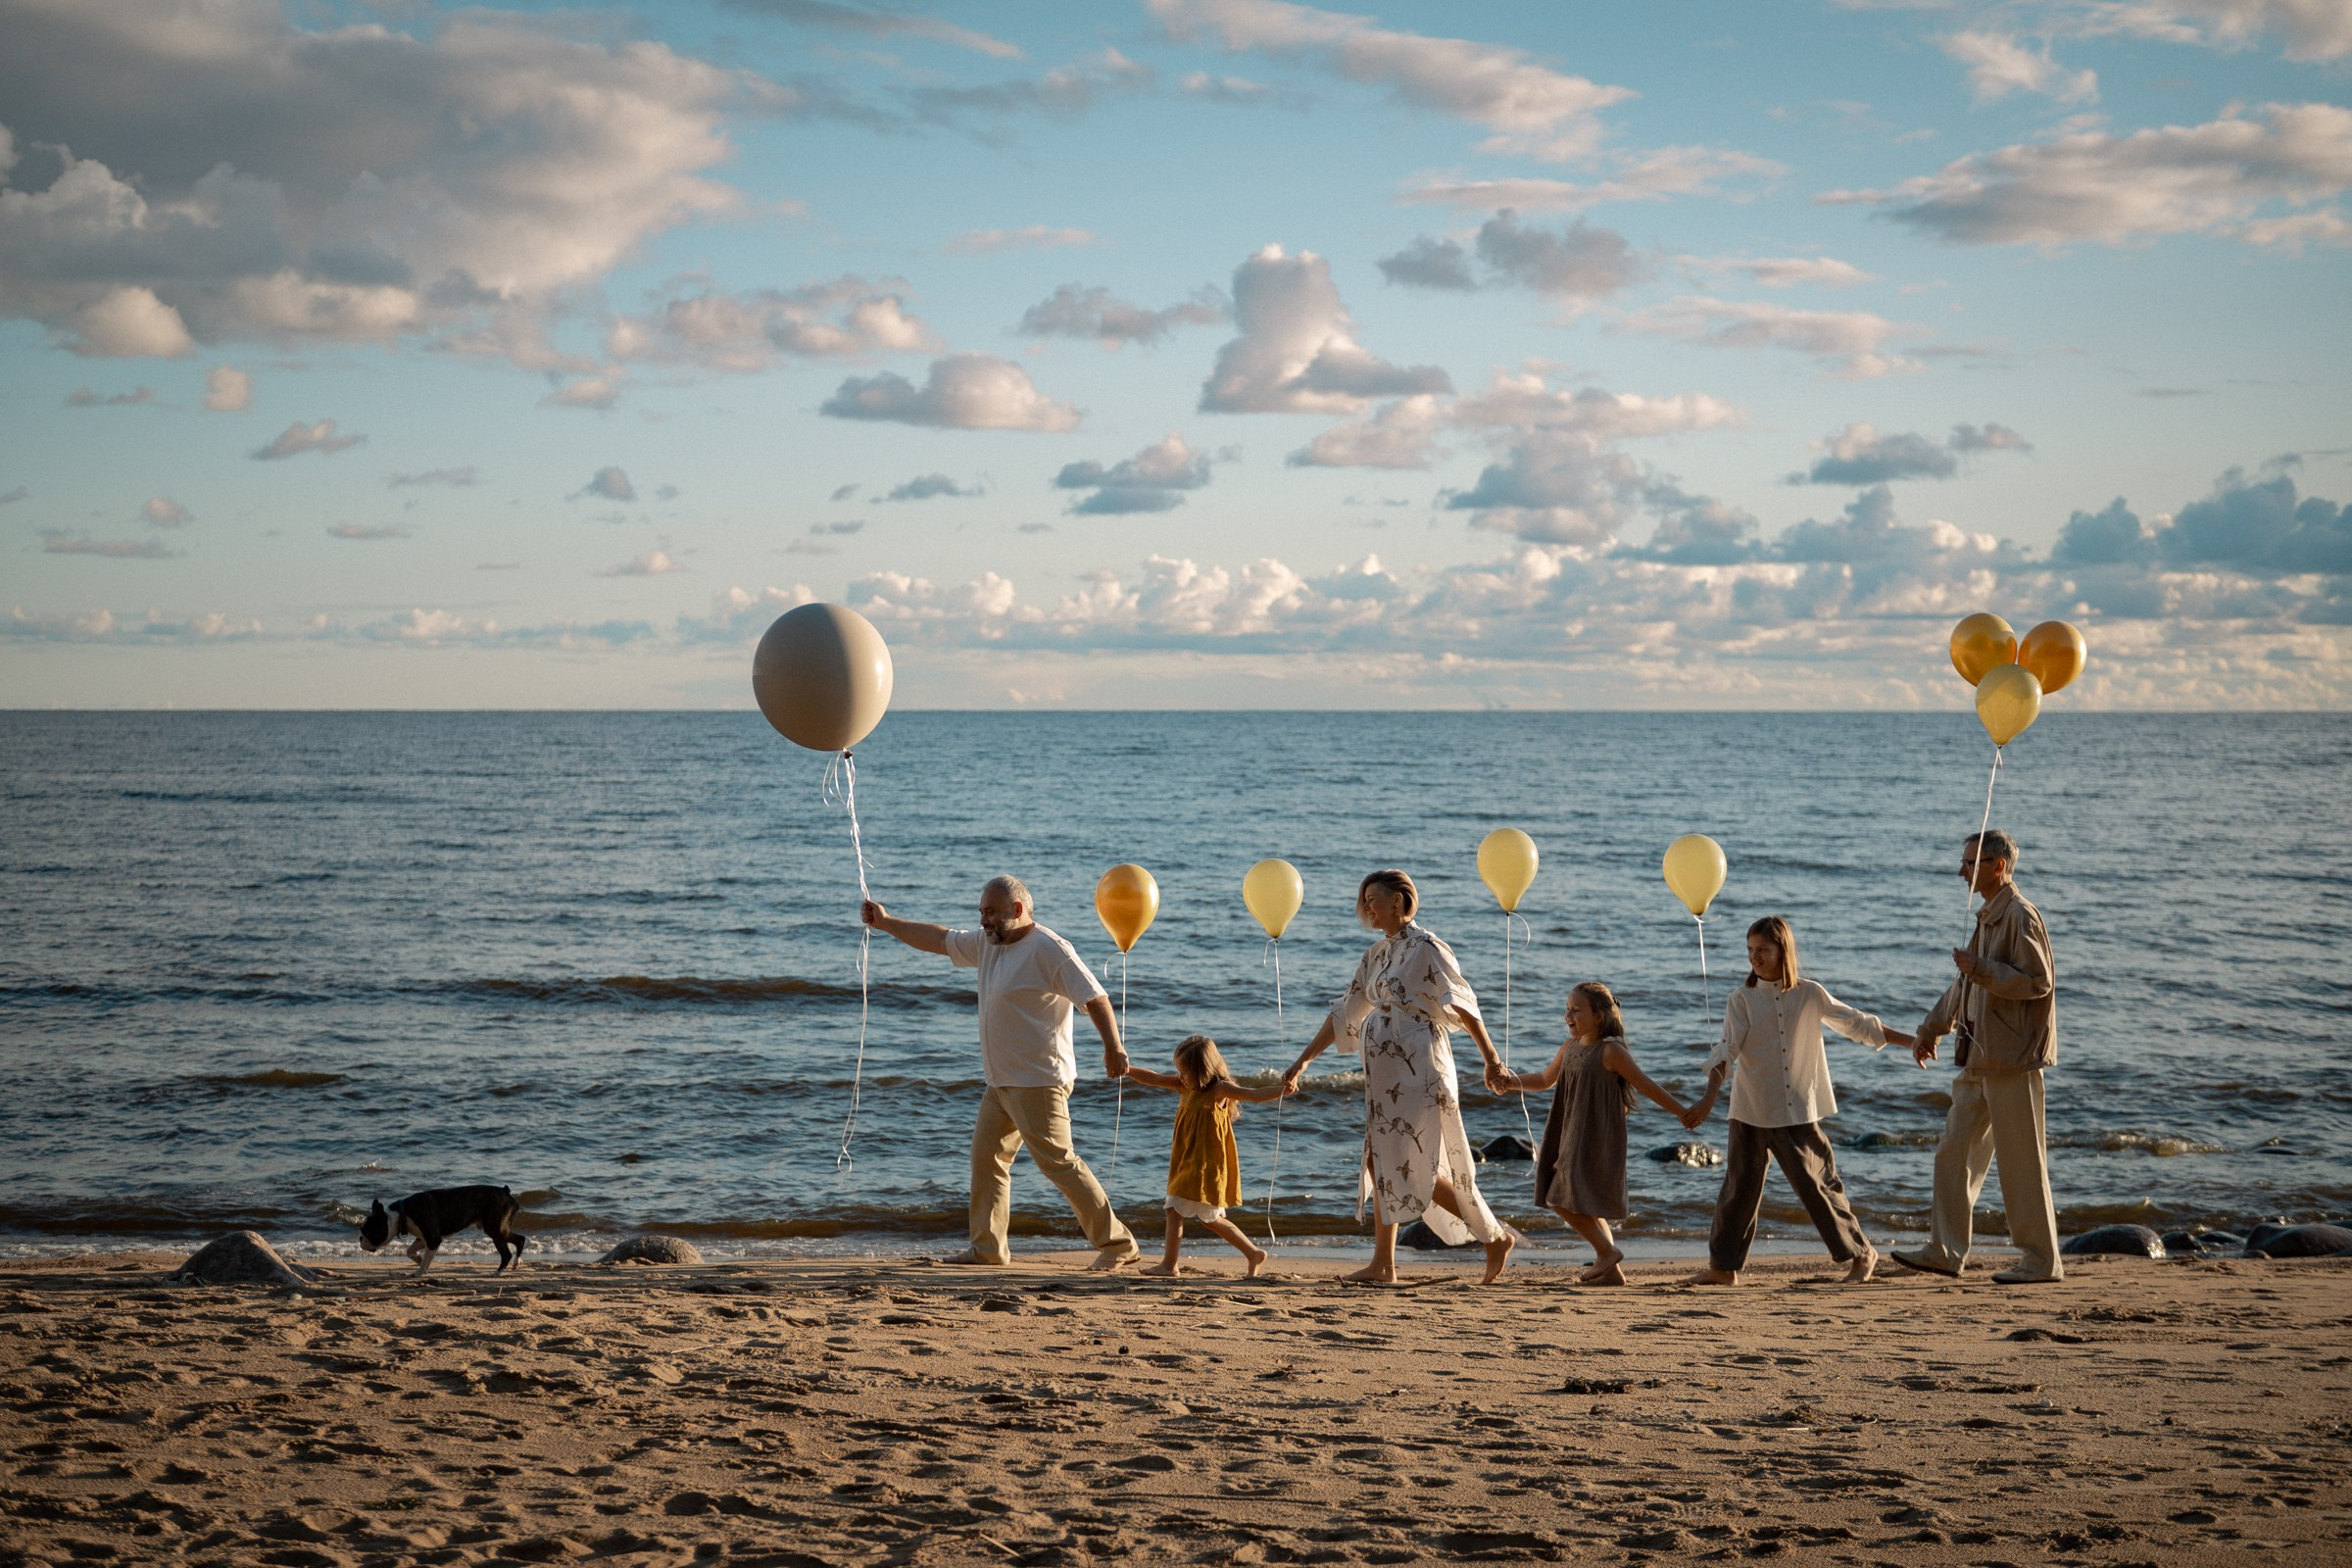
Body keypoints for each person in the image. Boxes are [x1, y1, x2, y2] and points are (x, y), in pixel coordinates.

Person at [862, 875, 1140, 1271]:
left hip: (1039, 1081)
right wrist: (887, 923)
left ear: (1017, 910)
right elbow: (939, 939)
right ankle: (988, 1250)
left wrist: (1114, 1047)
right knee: (987, 1160)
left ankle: (1118, 1245)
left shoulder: (1050, 949)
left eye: (990, 912)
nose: (983, 920)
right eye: (980, 912)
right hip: (1001, 1082)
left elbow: (1095, 998)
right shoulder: (987, 944)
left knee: (1060, 1164)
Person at [1280, 869, 1516, 1286]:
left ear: (1399, 900)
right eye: (1364, 899)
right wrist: (1302, 1062)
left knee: (1413, 1160)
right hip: (1386, 1074)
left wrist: (1491, 1058)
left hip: (1421, 1065)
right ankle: (1383, 1264)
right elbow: (1345, 1013)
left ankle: (1493, 1236)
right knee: (1378, 1159)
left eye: (1374, 898)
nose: (1367, 906)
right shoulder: (1375, 955)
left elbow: (1461, 1001)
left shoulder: (1426, 947)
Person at [1681, 916, 1913, 1287]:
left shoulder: (1809, 993)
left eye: (1763, 950)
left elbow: (1858, 1024)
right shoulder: (1741, 1000)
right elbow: (1726, 1052)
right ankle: (1723, 1268)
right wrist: (1709, 1097)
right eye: (1750, 950)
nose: (1755, 957)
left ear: (1782, 951)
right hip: (1750, 1109)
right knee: (1737, 1191)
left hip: (1795, 1109)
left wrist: (1912, 1042)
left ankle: (1861, 1253)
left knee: (1817, 1184)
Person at [1891, 828, 2063, 1285]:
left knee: (2021, 1163)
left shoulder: (2021, 916)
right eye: (1965, 862)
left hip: (2012, 1060)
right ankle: (1945, 1250)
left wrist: (1982, 969)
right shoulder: (1987, 916)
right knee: (1952, 1153)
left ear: (1997, 866)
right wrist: (1931, 1028)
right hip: (1978, 1058)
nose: (1961, 871)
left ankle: (2042, 1263)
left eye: (1969, 863)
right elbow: (1965, 985)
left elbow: (2037, 982)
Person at [1488, 981, 1692, 1286]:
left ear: (1598, 1016)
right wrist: (1509, 1081)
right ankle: (1612, 1273)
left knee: (1557, 1197)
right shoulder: (1569, 1047)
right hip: (1569, 1130)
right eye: (1567, 1009)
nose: (1568, 1015)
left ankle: (1607, 1252)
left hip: (1595, 1136)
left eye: (1576, 1010)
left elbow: (1647, 1085)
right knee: (1587, 1205)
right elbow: (1545, 1079)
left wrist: (1683, 1113)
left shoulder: (1610, 1051)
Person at [1121, 1034, 1292, 1278]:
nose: (1180, 1076)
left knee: (1175, 1210)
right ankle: (1253, 1253)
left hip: (1205, 1165)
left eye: (1185, 1071)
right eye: (1178, 1071)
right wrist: (1126, 1069)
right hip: (1186, 1160)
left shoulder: (1219, 1090)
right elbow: (1154, 1078)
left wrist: (1281, 1090)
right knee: (1209, 1219)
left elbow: (1253, 1093)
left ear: (1203, 1071)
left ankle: (1169, 1266)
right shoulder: (1184, 1086)